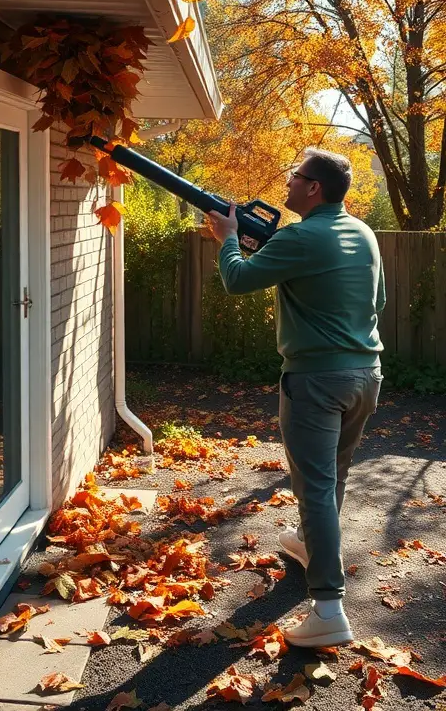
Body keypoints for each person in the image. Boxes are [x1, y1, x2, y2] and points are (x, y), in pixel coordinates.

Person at [207, 148, 385, 647]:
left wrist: (226, 241)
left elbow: (237, 279)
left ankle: (329, 609)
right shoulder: (364, 234)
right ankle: (310, 545)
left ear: (314, 189)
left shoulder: (300, 235)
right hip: (365, 375)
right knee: (335, 475)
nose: (287, 183)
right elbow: (380, 301)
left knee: (315, 488)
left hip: (315, 381)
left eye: (295, 177)